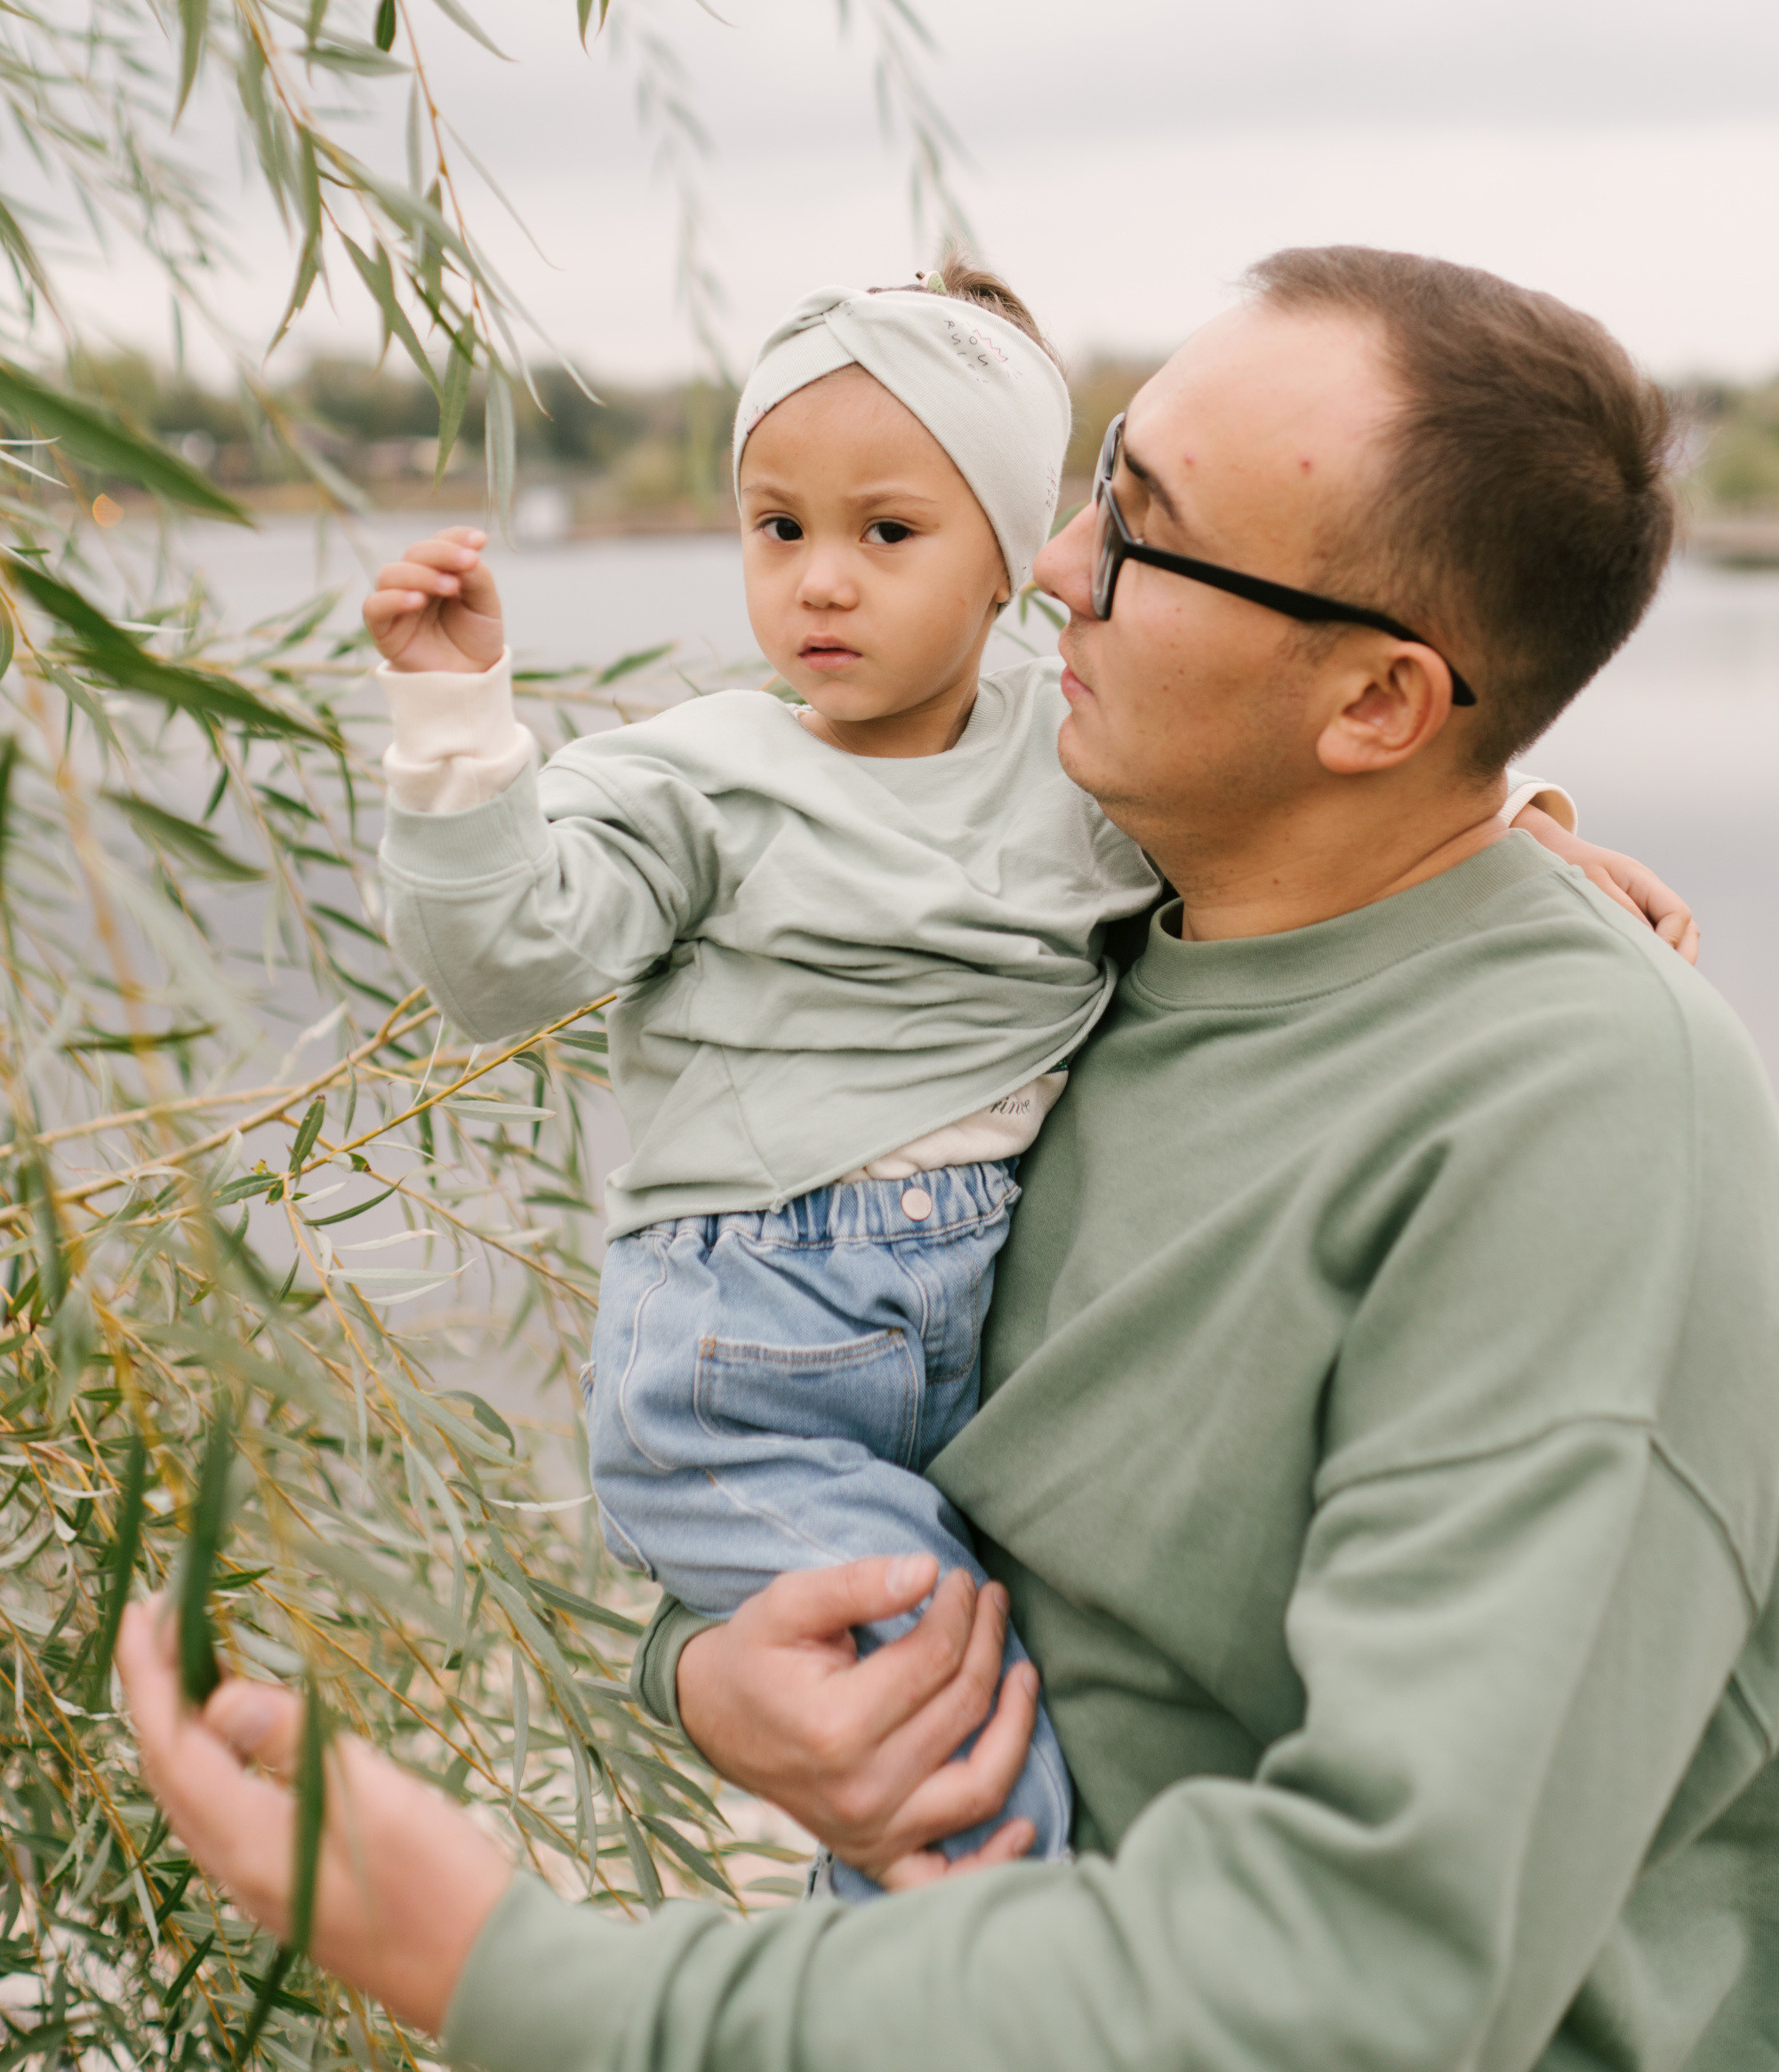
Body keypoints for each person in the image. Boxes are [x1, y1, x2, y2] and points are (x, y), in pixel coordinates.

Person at [124, 245, 1777, 2072]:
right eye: (1090, 486)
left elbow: (1366, 1971)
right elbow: (912, 1471)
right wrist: (707, 1671)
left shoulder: (1587, 1127)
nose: (1053, 569)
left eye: (1136, 535)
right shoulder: (1084, 966)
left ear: (1378, 709)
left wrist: (508, 1968)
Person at [360, 259, 1625, 1898]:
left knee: (947, 1718)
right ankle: (964, 1985)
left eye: (888, 534)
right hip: (751, 1359)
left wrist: (1524, 845)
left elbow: (1323, 811)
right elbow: (504, 958)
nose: (820, 584)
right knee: (955, 1762)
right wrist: (456, 721)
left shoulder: (1082, 760)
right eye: (775, 527)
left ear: (1012, 560)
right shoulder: (694, 788)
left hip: (957, 1348)